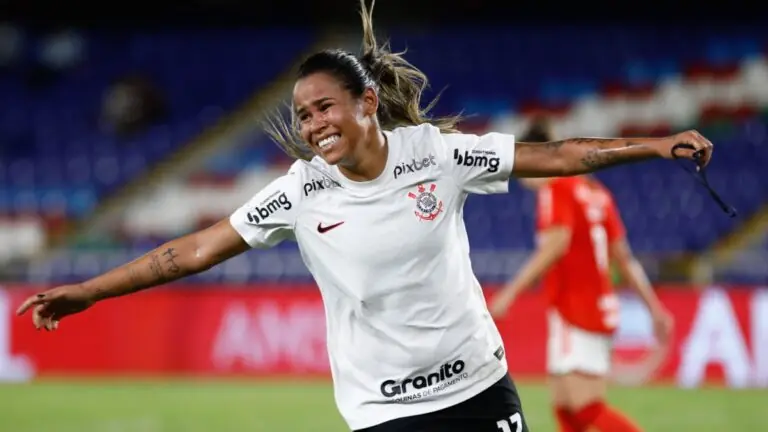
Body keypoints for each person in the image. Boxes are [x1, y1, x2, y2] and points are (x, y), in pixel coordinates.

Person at [17, 2, 710, 431]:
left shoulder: (437, 154)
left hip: (478, 391)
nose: (312, 125)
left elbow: (557, 156)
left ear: (367, 102)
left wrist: (654, 144)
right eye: (302, 115)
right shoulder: (300, 190)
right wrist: (90, 290)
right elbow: (194, 251)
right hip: (383, 413)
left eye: (324, 107)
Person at [489, 118, 674, 432]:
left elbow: (556, 243)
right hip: (594, 308)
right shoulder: (595, 192)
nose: (524, 179)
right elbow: (624, 258)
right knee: (565, 408)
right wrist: (654, 308)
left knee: (585, 409)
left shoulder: (557, 185)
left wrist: (509, 293)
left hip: (577, 310)